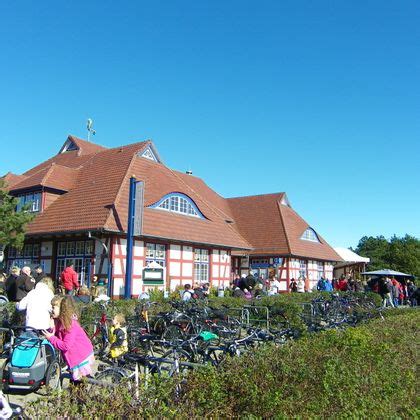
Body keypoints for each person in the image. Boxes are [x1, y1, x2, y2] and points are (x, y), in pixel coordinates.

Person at [43, 296, 94, 382]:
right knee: (78, 381)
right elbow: (55, 335)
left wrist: (51, 338)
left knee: (80, 381)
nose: (52, 310)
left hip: (80, 356)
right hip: (74, 357)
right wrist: (52, 327)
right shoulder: (60, 322)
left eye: (54, 307)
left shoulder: (70, 325)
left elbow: (65, 345)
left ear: (62, 309)